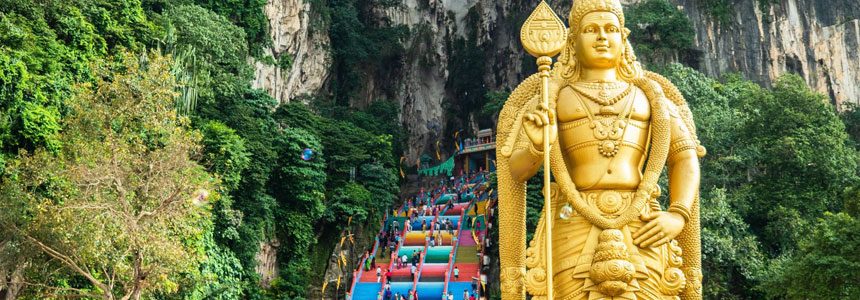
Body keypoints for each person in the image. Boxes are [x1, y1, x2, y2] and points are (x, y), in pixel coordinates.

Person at [495, 0, 704, 298]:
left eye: (611, 29)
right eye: (591, 29)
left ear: (624, 37)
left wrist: (679, 213)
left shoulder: (651, 97)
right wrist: (538, 147)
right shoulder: (549, 98)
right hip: (573, 219)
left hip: (641, 220)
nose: (602, 37)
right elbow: (515, 171)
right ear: (573, 41)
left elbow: (684, 156)